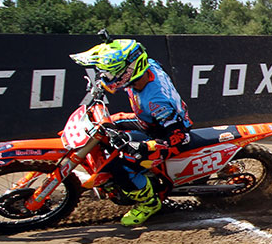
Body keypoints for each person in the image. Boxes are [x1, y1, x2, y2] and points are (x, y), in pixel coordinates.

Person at [71, 39, 192, 227]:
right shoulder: (146, 68)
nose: (109, 77)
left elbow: (178, 136)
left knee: (121, 166)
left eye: (114, 72)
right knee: (109, 124)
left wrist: (144, 146)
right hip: (148, 121)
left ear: (131, 70)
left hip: (163, 135)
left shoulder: (156, 101)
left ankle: (149, 202)